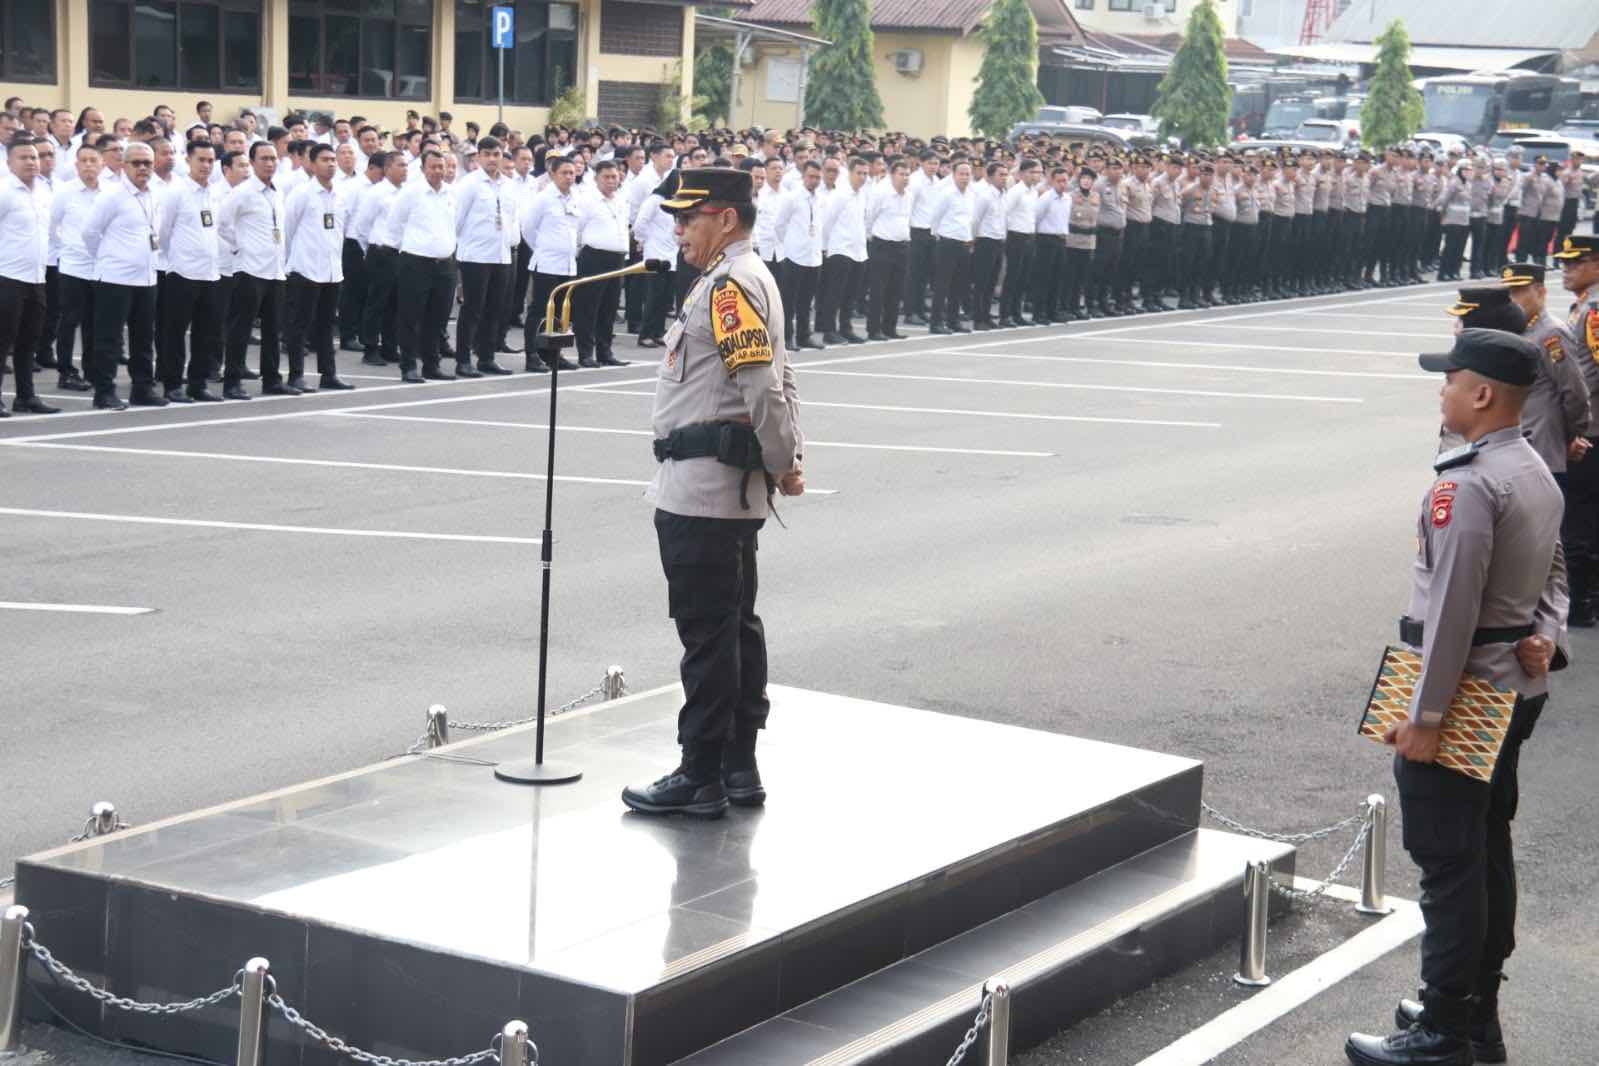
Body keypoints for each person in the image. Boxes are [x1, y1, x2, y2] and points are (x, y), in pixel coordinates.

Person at [1345, 327, 1566, 1066]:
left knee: (1446, 862)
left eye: (1449, 380)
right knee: (1483, 847)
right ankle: (1474, 1004)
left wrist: (1425, 717)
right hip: (1512, 680)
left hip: (1464, 688)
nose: (1439, 391)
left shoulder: (1467, 482)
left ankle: (1445, 1029)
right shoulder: (1530, 465)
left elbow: (1449, 614)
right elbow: (1554, 571)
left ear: (1480, 395)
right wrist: (1545, 632)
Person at [621, 167, 803, 818]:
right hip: (718, 484)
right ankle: (736, 767)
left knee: (707, 634)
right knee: (733, 628)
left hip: (703, 489)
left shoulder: (729, 288)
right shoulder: (737, 279)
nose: (677, 229)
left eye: (687, 218)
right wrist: (788, 457)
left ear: (724, 218)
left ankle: (699, 771)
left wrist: (783, 463)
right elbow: (779, 376)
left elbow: (763, 385)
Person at [82, 140, 162, 409]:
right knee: (109, 339)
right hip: (115, 278)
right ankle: (104, 391)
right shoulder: (112, 195)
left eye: (147, 163)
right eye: (136, 163)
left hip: (147, 277)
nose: (142, 168)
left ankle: (143, 388)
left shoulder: (155, 193)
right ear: (124, 165)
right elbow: (90, 233)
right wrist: (108, 258)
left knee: (143, 338)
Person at [154, 138, 225, 402]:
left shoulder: (215, 193)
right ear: (188, 160)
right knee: (174, 332)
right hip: (182, 272)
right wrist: (175, 259)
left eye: (210, 160)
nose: (206, 165)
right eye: (201, 160)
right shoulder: (176, 192)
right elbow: (164, 231)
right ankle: (172, 384)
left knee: (205, 333)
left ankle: (198, 383)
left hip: (210, 272)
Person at [219, 142, 292, 395]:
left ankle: (271, 380)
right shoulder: (243, 192)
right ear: (252, 162)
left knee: (273, 329)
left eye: (273, 158)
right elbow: (222, 223)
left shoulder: (276, 191)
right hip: (250, 269)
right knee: (241, 328)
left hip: (274, 269)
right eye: (263, 158)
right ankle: (232, 381)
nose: (270, 163)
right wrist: (239, 247)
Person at [1553, 233, 1599, 626]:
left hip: (1593, 428)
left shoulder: (1595, 309)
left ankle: (1582, 602)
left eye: (1575, 263)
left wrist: (1574, 424)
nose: (1566, 269)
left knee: (1580, 515)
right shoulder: (1583, 306)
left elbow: (1589, 374)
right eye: (1565, 263)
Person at [282, 143, 352, 392]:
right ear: (311, 164)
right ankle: (296, 375)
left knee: (326, 325)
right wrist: (290, 263)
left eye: (333, 159)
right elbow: (288, 230)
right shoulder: (302, 194)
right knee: (299, 326)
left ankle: (328, 374)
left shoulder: (340, 194)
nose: (331, 163)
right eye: (324, 159)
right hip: (305, 268)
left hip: (332, 270)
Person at [0, 137, 59, 416]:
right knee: (3, 340)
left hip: (37, 277)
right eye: (23, 157)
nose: (31, 162)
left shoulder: (43, 192)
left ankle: (26, 396)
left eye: (34, 157)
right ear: (9, 162)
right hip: (7, 276)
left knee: (28, 341)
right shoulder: (4, 190)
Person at [389, 149, 457, 383]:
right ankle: (408, 366)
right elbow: (394, 224)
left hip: (445, 264)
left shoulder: (450, 193)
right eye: (433, 167)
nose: (438, 171)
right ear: (423, 169)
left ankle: (431, 364)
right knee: (410, 317)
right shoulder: (412, 193)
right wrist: (408, 251)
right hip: (416, 262)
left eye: (442, 167)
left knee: (437, 319)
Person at [453, 136, 514, 376]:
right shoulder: (469, 184)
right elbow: (457, 220)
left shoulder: (508, 185)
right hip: (475, 256)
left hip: (501, 256)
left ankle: (486, 357)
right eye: (486, 154)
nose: (491, 159)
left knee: (495, 310)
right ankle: (463, 359)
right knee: (472, 310)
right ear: (478, 157)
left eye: (496, 154)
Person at [50, 141, 101, 393]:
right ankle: (66, 371)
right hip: (72, 267)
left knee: (94, 322)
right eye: (84, 161)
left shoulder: (109, 191)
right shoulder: (65, 192)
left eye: (94, 160)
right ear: (76, 164)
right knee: (70, 321)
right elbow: (52, 225)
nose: (89, 165)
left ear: (101, 164)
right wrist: (66, 246)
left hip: (100, 268)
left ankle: (92, 370)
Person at [570, 157, 631, 367]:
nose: (611, 181)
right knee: (588, 307)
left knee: (609, 307)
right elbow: (576, 229)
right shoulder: (587, 200)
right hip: (594, 256)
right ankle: (585, 353)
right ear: (596, 179)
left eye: (615, 176)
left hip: (617, 257)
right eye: (606, 177)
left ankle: (605, 351)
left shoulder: (621, 199)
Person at [864, 156, 911, 339]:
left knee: (896, 289)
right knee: (878, 290)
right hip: (882, 245)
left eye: (907, 174)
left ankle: (890, 327)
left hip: (902, 245)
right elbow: (869, 217)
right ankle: (874, 329)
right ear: (892, 174)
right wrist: (872, 239)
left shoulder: (908, 195)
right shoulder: (880, 193)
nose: (905, 178)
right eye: (901, 174)